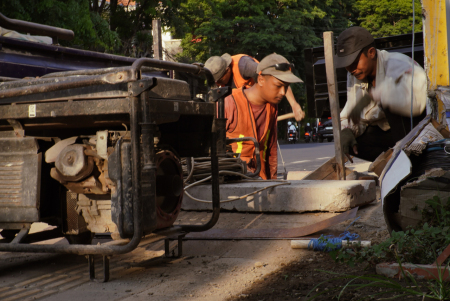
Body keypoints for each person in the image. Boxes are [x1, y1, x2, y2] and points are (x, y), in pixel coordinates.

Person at [336, 26, 427, 162]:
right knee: (346, 139)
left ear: (371, 53)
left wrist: (375, 95)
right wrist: (346, 129)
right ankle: (389, 166)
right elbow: (351, 113)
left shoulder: (399, 64)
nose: (350, 69)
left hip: (415, 135)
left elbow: (416, 105)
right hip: (388, 135)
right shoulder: (355, 73)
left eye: (354, 62)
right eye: (347, 65)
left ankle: (411, 162)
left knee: (389, 104)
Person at [224, 53, 303, 179]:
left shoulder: (271, 107)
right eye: (278, 86)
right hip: (232, 182)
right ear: (260, 80)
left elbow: (271, 150)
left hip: (260, 182)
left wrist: (272, 182)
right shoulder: (229, 103)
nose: (283, 92)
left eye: (286, 87)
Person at [205, 53, 305, 122]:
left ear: (227, 70)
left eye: (220, 79)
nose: (218, 83)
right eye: (215, 81)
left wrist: (294, 105)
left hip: (260, 105)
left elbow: (279, 79)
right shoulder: (217, 81)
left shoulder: (245, 66)